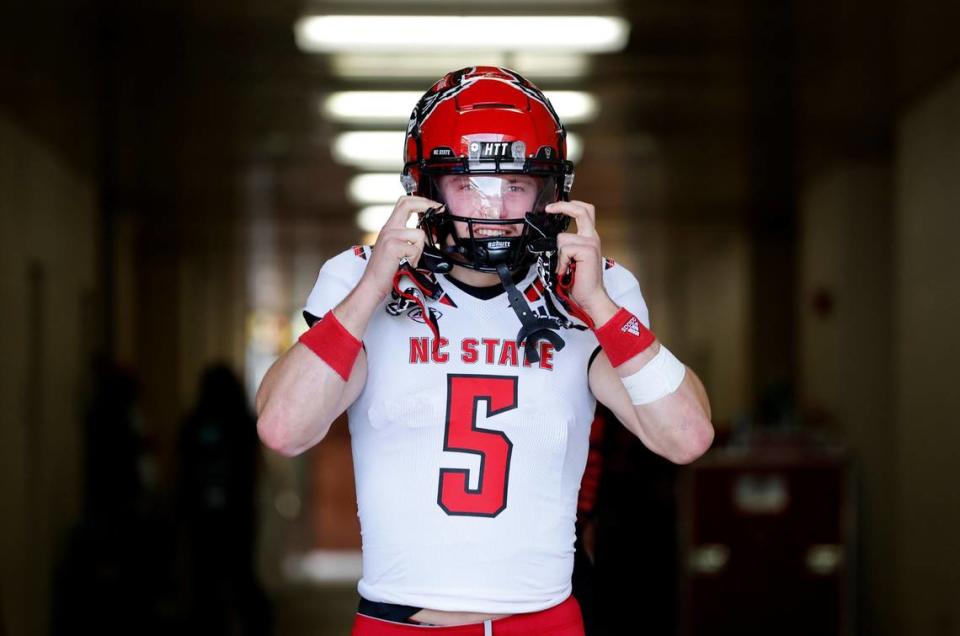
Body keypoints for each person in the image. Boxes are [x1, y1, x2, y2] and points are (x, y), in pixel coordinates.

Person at [256, 66, 714, 636]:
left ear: (549, 192)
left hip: (543, 620)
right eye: (469, 182)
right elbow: (284, 427)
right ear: (427, 187)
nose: (493, 207)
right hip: (402, 620)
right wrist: (371, 289)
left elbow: (687, 436)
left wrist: (600, 308)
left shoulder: (595, 287)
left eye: (515, 184)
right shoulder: (358, 277)